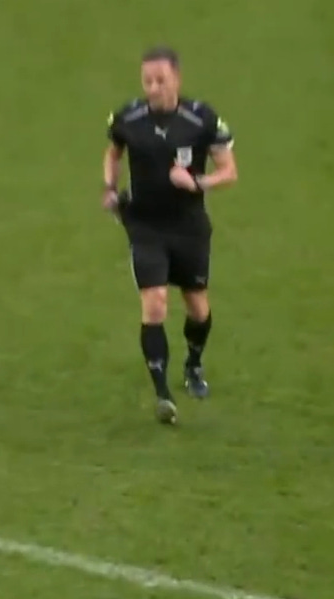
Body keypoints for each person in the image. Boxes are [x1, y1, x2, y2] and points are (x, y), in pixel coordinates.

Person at [102, 45, 238, 424]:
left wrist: (197, 182)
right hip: (144, 225)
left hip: (188, 227)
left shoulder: (202, 119)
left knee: (198, 308)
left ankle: (193, 364)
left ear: (176, 78)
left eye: (160, 80)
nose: (153, 88)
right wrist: (110, 188)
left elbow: (229, 171)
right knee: (155, 303)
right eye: (147, 81)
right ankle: (162, 393)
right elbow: (113, 153)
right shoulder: (128, 118)